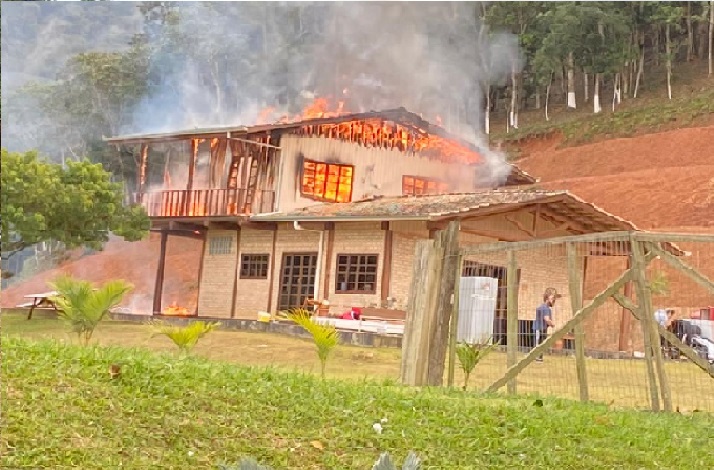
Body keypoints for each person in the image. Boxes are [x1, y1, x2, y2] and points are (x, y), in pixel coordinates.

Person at [533, 288, 558, 362]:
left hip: (538, 327)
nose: (553, 300)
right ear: (547, 297)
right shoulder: (546, 308)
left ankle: (538, 357)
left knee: (539, 342)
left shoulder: (541, 306)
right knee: (540, 343)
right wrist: (552, 324)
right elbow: (546, 319)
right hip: (540, 328)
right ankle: (538, 358)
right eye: (552, 298)